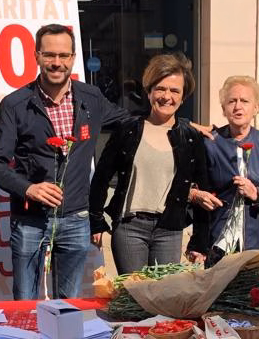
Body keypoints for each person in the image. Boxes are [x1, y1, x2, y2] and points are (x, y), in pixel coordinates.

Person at [0, 23, 129, 300]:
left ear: (73, 58)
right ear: (37, 56)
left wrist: (184, 125)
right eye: (49, 55)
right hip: (30, 220)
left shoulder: (91, 98)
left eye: (63, 55)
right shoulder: (15, 104)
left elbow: (132, 121)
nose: (56, 63)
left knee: (68, 304)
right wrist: (29, 188)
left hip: (76, 218)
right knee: (25, 302)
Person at [89, 53, 208, 274]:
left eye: (175, 91)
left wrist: (200, 241)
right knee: (134, 291)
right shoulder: (128, 129)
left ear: (183, 97)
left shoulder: (190, 137)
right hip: (130, 228)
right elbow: (101, 177)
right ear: (149, 91)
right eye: (160, 88)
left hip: (169, 229)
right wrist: (95, 220)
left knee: (165, 292)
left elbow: (204, 191)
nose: (166, 96)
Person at [190, 76, 259, 265]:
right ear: (223, 108)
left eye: (244, 101)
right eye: (231, 101)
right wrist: (198, 244)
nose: (238, 107)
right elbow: (196, 197)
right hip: (218, 247)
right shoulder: (210, 144)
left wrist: (258, 194)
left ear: (256, 108)